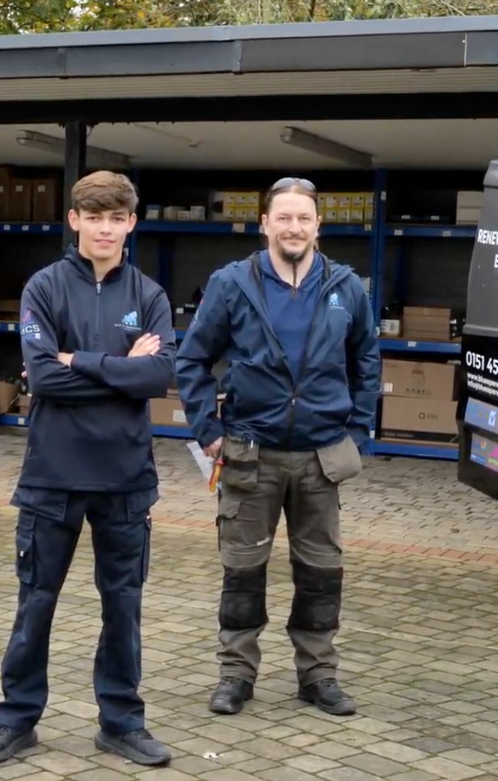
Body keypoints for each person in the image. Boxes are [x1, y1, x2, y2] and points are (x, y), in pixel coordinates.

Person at [0, 171, 175, 767]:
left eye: (116, 217)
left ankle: (121, 722)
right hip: (51, 477)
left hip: (124, 480)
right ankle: (15, 721)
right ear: (74, 221)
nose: (104, 227)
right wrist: (118, 368)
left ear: (130, 224)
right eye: (93, 216)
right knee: (35, 601)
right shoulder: (43, 288)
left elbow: (157, 377)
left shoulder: (148, 295)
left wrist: (81, 360)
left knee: (123, 605)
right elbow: (42, 377)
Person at [176, 177, 381, 717]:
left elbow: (366, 361)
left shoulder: (346, 288)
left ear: (319, 225)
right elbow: (192, 360)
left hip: (321, 458)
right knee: (242, 571)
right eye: (283, 218)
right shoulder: (230, 285)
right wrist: (208, 431)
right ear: (265, 223)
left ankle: (318, 675)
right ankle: (235, 675)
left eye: (304, 218)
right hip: (250, 453)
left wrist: (357, 435)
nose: (294, 227)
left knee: (321, 574)